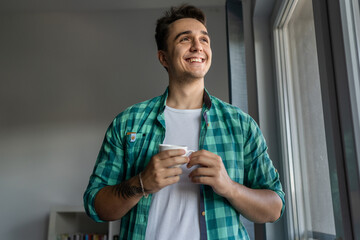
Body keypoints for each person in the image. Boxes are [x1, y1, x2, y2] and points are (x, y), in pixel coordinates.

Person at [84, 4, 285, 240]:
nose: (198, 46)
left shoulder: (241, 125)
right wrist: (141, 183)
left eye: (204, 39)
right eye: (184, 39)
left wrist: (229, 187)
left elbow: (274, 208)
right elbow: (96, 206)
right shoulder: (128, 122)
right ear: (163, 57)